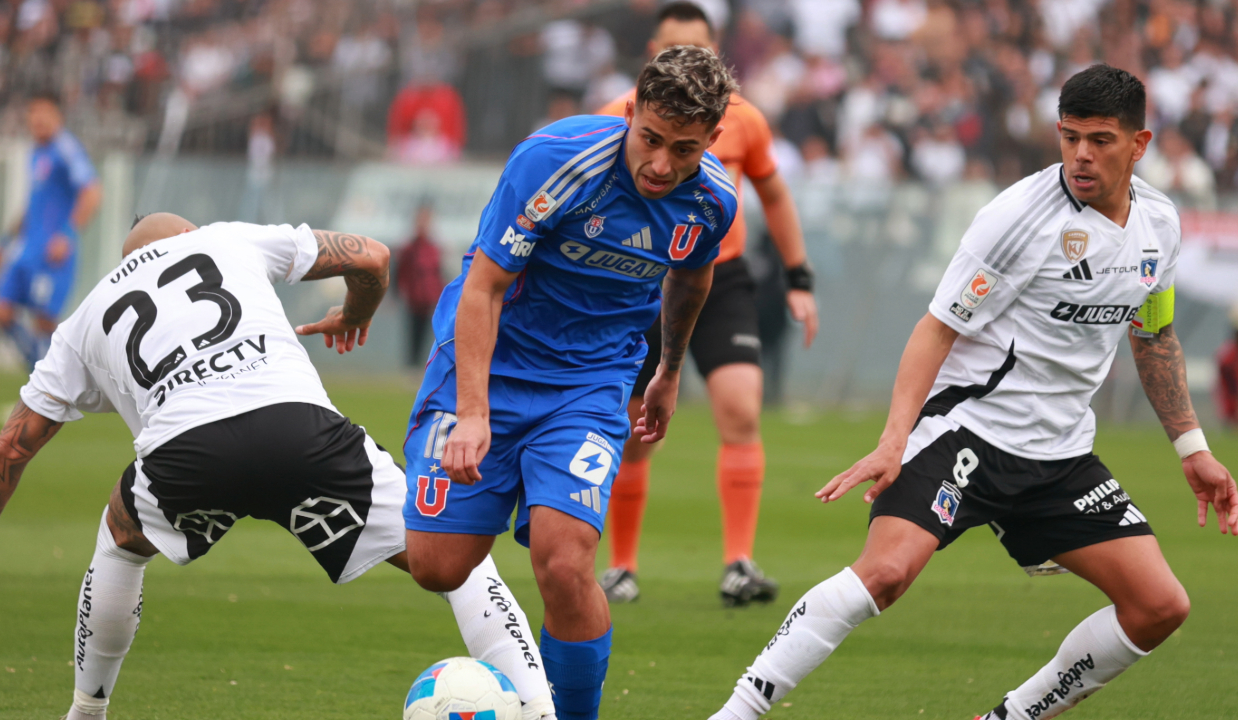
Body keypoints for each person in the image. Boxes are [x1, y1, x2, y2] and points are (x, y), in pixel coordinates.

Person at [710, 65, 1237, 720]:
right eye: (1070, 136)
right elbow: (935, 330)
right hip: (968, 434)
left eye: (1100, 139)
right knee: (885, 575)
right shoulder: (1018, 218)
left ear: (1141, 144)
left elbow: (1154, 337)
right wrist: (894, 441)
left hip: (1061, 456)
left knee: (1161, 606)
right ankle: (733, 714)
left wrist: (1192, 448)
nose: (1080, 154)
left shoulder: (1160, 222)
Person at [0, 214, 555, 720]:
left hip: (188, 457)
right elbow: (371, 257)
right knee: (452, 555)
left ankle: (86, 712)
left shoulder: (85, 317)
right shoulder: (226, 239)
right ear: (188, 235)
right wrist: (354, 314)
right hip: (300, 431)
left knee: (120, 538)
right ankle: (540, 709)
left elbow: (12, 446)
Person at [401, 46, 739, 720]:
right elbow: (484, 287)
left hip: (590, 383)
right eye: (650, 139)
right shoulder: (555, 161)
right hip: (489, 364)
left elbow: (693, 275)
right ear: (629, 113)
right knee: (438, 565)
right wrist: (473, 413)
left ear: (712, 140)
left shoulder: (712, 202)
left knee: (564, 562)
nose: (662, 164)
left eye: (684, 148)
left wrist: (669, 370)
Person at [595, 2, 819, 606]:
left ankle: (739, 563)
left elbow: (773, 192)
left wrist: (799, 277)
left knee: (742, 409)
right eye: (673, 52)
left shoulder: (743, 122)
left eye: (699, 52)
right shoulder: (613, 119)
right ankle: (619, 567)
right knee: (635, 430)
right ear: (652, 55)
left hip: (722, 279)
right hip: (642, 281)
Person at [0, 91, 102, 370]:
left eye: (43, 112)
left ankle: (56, 377)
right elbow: (32, 205)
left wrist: (67, 235)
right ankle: (42, 372)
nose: (37, 119)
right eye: (32, 113)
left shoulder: (66, 149)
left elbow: (93, 192)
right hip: (26, 250)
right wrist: (1, 246)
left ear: (58, 116)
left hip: (51, 253)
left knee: (44, 322)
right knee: (0, 313)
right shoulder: (37, 153)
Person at [395, 200, 446, 367]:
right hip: (414, 298)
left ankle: (425, 366)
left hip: (431, 298)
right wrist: (397, 293)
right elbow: (400, 272)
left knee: (429, 335)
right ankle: (412, 367)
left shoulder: (434, 247)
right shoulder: (409, 247)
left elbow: (439, 273)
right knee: (414, 333)